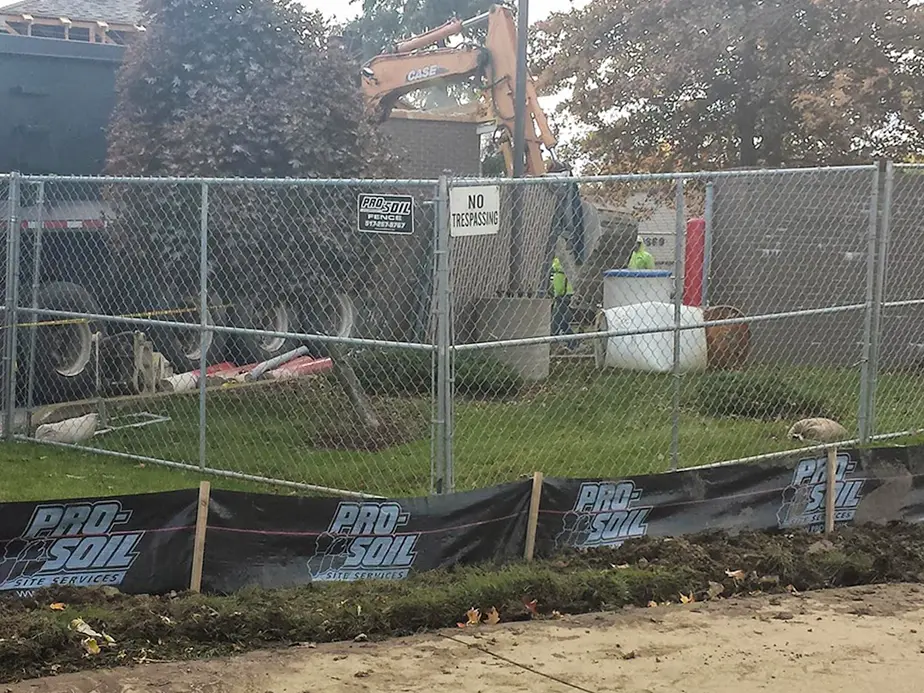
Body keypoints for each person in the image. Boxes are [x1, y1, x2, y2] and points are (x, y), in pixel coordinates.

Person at [550, 256, 577, 350]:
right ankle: (572, 342)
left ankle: (554, 340)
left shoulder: (559, 265)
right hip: (563, 294)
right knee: (562, 321)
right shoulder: (560, 265)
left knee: (557, 320)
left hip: (564, 295)